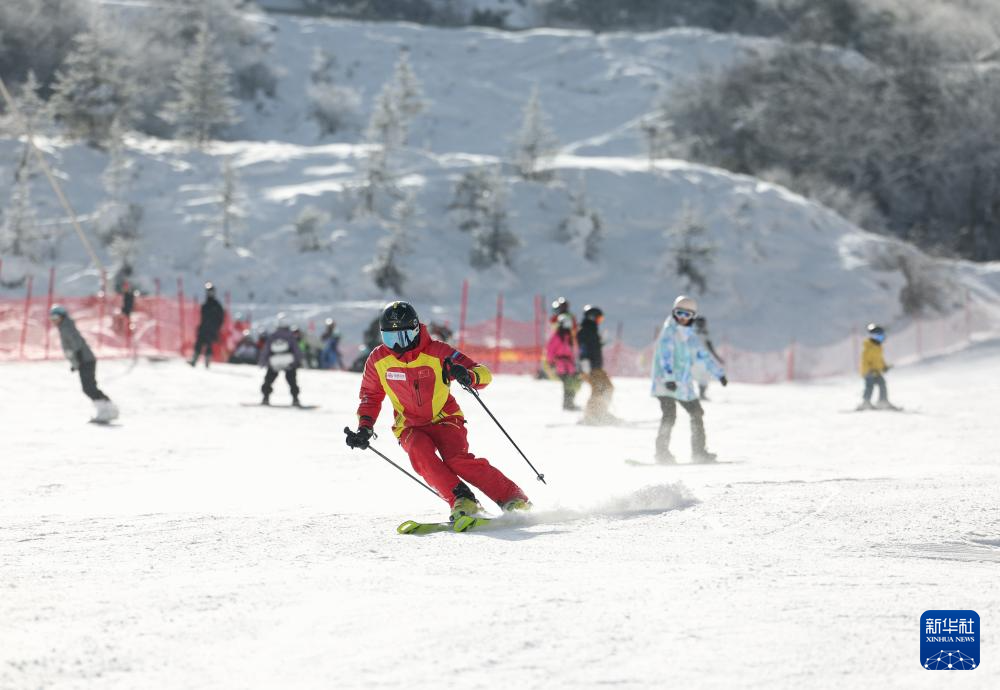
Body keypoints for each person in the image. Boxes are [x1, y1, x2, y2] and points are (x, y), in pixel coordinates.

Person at [344, 301, 531, 522]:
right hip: (409, 426)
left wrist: (468, 375)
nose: (397, 346)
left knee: (457, 460)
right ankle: (462, 500)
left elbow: (484, 374)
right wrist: (365, 428)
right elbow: (370, 396)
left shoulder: (438, 352)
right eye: (389, 338)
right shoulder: (378, 359)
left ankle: (512, 497)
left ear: (415, 330)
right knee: (419, 451)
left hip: (445, 419)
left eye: (403, 337)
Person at [651, 296, 728, 463]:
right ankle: (662, 453)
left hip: (683, 385)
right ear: (674, 313)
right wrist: (669, 378)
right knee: (669, 416)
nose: (682, 318)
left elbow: (703, 355)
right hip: (665, 383)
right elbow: (665, 357)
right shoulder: (669, 333)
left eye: (687, 314)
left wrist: (719, 373)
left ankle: (699, 452)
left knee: (696, 412)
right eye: (679, 313)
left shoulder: (690, 336)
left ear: (693, 317)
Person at [49, 305, 119, 423]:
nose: (53, 320)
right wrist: (75, 363)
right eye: (52, 318)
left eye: (55, 317)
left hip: (86, 360)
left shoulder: (66, 327)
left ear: (62, 316)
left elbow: (76, 343)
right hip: (84, 360)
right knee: (89, 387)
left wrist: (79, 358)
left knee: (89, 387)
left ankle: (108, 409)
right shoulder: (64, 326)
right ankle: (106, 409)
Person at [577, 304, 616, 424]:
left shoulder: (592, 330)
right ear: (592, 317)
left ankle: (600, 413)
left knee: (607, 388)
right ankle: (592, 416)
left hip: (596, 366)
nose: (599, 321)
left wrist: (601, 342)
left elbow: (592, 346)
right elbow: (582, 347)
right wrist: (584, 361)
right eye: (598, 318)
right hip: (589, 367)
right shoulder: (584, 330)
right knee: (599, 389)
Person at [259, 314, 303, 406]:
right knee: (292, 381)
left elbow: (266, 350)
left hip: (274, 362)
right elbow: (296, 349)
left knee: (268, 380)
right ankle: (295, 399)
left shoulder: (273, 336)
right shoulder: (290, 336)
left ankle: (265, 398)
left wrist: (263, 362)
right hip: (289, 362)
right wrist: (297, 361)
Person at [858, 323, 896, 410]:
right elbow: (864, 361)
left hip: (876, 371)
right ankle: (866, 402)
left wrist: (884, 367)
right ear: (874, 336)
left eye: (882, 336)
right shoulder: (868, 347)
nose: (881, 339)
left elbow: (879, 359)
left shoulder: (878, 347)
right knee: (869, 386)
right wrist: (869, 370)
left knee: (882, 384)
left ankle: (883, 401)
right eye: (879, 337)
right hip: (868, 372)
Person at [546, 313, 579, 410]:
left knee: (572, 384)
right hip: (560, 363)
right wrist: (551, 362)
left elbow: (573, 350)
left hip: (570, 364)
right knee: (567, 384)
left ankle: (570, 402)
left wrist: (575, 362)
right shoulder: (557, 336)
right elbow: (550, 350)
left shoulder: (570, 336)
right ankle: (567, 404)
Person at [189, 282, 225, 368]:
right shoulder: (205, 305)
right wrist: (200, 327)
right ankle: (194, 360)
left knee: (209, 345)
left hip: (212, 330)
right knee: (198, 344)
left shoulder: (217, 305)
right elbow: (202, 318)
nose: (209, 293)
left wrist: (216, 328)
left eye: (211, 292)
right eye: (208, 291)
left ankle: (207, 362)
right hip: (204, 329)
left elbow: (221, 318)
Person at [692, 316, 724, 401]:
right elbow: (710, 348)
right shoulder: (693, 333)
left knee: (703, 377)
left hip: (699, 359)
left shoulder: (704, 334)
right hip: (696, 359)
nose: (702, 325)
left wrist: (718, 358)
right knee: (702, 377)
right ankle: (699, 394)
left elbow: (710, 347)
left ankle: (701, 394)